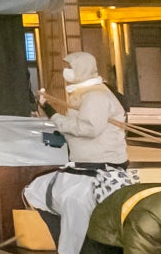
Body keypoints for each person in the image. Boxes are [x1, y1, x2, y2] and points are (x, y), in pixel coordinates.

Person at [44, 50, 135, 203]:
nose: (66, 71)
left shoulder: (95, 95)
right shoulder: (85, 92)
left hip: (101, 162)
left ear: (83, 69)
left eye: (70, 67)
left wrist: (54, 116)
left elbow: (89, 128)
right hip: (93, 158)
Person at [23, 165, 105, 254]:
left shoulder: (113, 187)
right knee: (73, 239)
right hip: (43, 198)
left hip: (65, 192)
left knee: (91, 240)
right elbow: (71, 233)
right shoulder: (79, 200)